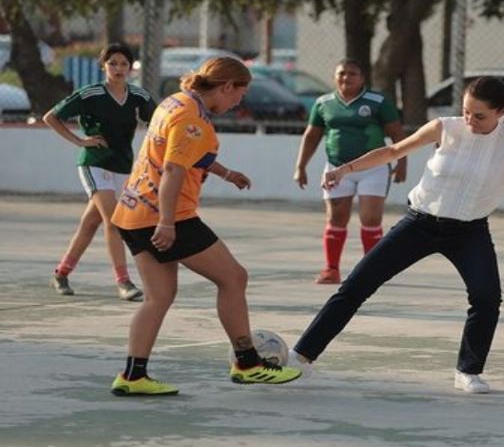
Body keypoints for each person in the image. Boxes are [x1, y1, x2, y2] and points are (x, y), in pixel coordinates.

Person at [287, 76, 504, 394]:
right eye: (465, 112)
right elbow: (392, 151)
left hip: (469, 232)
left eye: (479, 116)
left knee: (487, 299)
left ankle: (468, 372)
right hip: (419, 224)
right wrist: (345, 169)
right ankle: (301, 356)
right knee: (356, 286)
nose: (470, 121)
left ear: (501, 111)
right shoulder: (443, 128)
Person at [108, 57, 302, 396]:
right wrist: (167, 223)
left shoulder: (175, 102)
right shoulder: (192, 120)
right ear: (226, 87)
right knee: (233, 277)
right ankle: (248, 364)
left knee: (158, 297)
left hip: (132, 214)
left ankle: (132, 376)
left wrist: (226, 173)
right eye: (239, 94)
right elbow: (173, 170)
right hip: (166, 216)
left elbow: (188, 153)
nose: (238, 101)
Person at [43, 43, 156, 301]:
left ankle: (61, 273)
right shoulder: (90, 93)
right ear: (103, 65)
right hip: (95, 162)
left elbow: (159, 121)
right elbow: (51, 117)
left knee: (91, 222)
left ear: (131, 67)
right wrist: (80, 142)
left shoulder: (139, 95)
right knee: (114, 221)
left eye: (124, 64)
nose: (118, 68)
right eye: (112, 63)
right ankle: (123, 282)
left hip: (123, 165)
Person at [293, 58, 407, 284]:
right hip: (336, 168)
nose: (346, 78)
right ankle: (331, 269)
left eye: (352, 74)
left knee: (371, 218)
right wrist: (301, 166)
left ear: (362, 78)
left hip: (373, 169)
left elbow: (396, 133)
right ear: (335, 77)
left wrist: (402, 163)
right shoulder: (323, 103)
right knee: (336, 218)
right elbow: (312, 135)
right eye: (341, 73)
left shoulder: (378, 101)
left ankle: (371, 271)